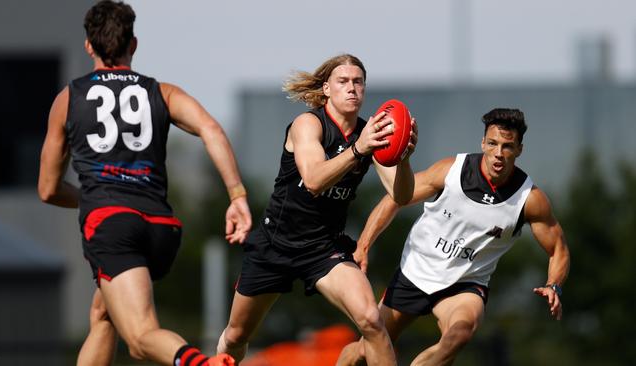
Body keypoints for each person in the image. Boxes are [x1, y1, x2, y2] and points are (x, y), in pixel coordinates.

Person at [37, 1, 251, 365]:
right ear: (133, 45)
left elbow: (48, 188)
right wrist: (237, 195)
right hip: (161, 228)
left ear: (89, 45)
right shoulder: (162, 92)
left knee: (140, 337)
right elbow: (211, 129)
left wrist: (92, 197)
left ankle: (200, 363)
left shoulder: (68, 99)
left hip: (111, 226)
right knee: (103, 314)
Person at [215, 54, 417, 365]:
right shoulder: (308, 124)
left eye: (358, 82)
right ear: (326, 89)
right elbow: (312, 180)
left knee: (372, 321)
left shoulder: (369, 134)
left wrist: (402, 159)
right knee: (236, 336)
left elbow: (402, 196)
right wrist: (358, 149)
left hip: (323, 248)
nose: (352, 88)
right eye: (343, 81)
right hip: (276, 244)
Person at [337, 108, 571, 366]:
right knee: (363, 351)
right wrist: (364, 244)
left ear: (519, 150)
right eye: (492, 144)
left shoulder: (530, 199)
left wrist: (554, 285)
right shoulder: (452, 171)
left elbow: (558, 248)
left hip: (465, 284)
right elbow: (396, 198)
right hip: (415, 271)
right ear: (483, 143)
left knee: (459, 334)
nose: (498, 153)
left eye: (507, 146)